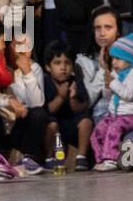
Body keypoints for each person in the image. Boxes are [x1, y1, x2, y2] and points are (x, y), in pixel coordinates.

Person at [0, 38, 48, 175]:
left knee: (39, 113)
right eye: (18, 44)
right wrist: (7, 100)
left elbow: (37, 104)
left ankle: (27, 158)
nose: (23, 50)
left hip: (17, 127)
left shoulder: (34, 68)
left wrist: (27, 73)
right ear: (9, 47)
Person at [89, 34, 133, 172]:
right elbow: (108, 95)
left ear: (130, 59)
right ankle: (100, 158)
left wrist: (113, 83)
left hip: (132, 116)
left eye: (118, 59)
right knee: (98, 130)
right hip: (115, 114)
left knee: (114, 129)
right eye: (113, 58)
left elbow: (129, 95)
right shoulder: (116, 74)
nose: (114, 62)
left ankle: (111, 159)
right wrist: (107, 84)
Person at [39, 40, 93, 171]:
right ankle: (50, 157)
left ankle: (81, 157)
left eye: (67, 63)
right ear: (48, 67)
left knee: (86, 121)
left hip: (71, 124)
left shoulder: (75, 81)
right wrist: (61, 96)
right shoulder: (46, 81)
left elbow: (82, 107)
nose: (63, 67)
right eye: (57, 63)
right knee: (51, 125)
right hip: (54, 125)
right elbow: (49, 110)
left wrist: (72, 97)